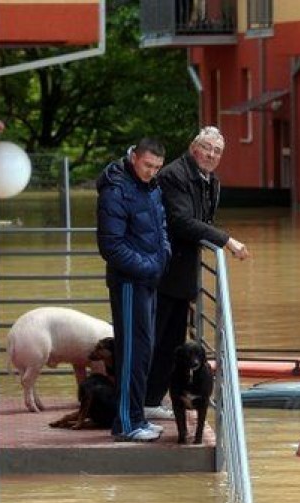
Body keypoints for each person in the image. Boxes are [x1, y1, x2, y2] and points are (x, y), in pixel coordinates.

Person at [144, 126, 249, 419]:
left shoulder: (209, 180)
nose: (212, 155)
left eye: (217, 151)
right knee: (153, 339)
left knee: (173, 342)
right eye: (207, 148)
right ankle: (139, 401)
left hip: (182, 274)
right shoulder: (174, 175)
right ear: (194, 149)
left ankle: (153, 400)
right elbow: (181, 222)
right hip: (162, 271)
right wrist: (226, 241)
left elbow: (201, 219)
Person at [96, 137, 171, 442]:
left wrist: (162, 257)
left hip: (148, 280)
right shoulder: (115, 190)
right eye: (147, 165)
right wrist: (150, 267)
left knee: (144, 352)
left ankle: (137, 417)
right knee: (131, 353)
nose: (151, 172)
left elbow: (162, 227)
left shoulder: (150, 187)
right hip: (129, 284)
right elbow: (111, 246)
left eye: (157, 167)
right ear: (134, 158)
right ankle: (126, 423)